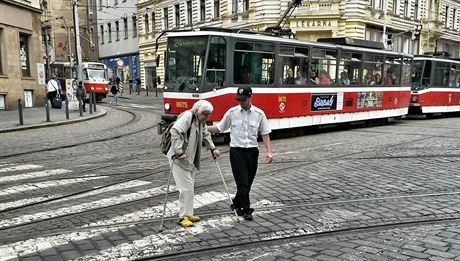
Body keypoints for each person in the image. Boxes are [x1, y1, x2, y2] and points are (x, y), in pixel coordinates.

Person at [208, 86, 273, 221]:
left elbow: (265, 132)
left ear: (250, 98)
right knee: (242, 182)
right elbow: (219, 128)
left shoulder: (259, 114)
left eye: (244, 100)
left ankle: (237, 202)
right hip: (237, 152)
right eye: (239, 100)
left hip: (252, 152)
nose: (241, 103)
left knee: (248, 182)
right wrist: (202, 126)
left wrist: (269, 151)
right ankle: (246, 209)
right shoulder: (232, 113)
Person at [167, 100, 220, 228]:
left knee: (189, 187)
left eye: (208, 114)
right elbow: (175, 131)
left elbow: (206, 133)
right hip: (179, 158)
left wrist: (212, 148)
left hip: (189, 159)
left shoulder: (200, 120)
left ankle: (189, 214)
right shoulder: (188, 116)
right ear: (197, 111)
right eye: (205, 114)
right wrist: (178, 151)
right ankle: (183, 217)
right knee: (186, 188)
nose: (207, 117)